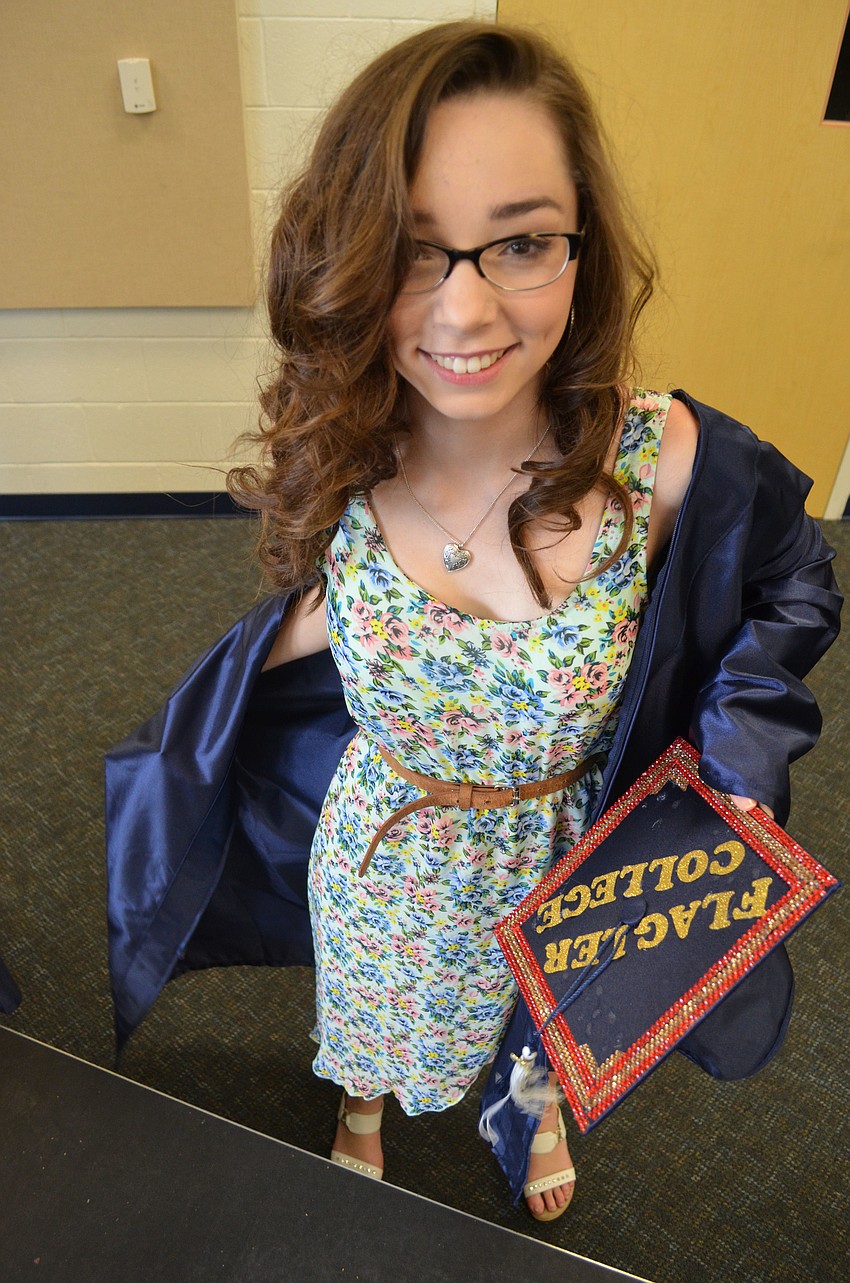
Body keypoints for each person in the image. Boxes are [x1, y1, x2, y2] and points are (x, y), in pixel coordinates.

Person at [105, 22, 841, 1224]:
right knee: (373, 1008)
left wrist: (740, 758)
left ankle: (532, 1100)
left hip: (564, 849)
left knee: (547, 1012)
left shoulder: (661, 462)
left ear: (580, 248)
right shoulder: (341, 451)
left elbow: (796, 577)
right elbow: (286, 642)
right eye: (411, 251)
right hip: (388, 852)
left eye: (520, 242)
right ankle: (360, 1098)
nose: (463, 310)